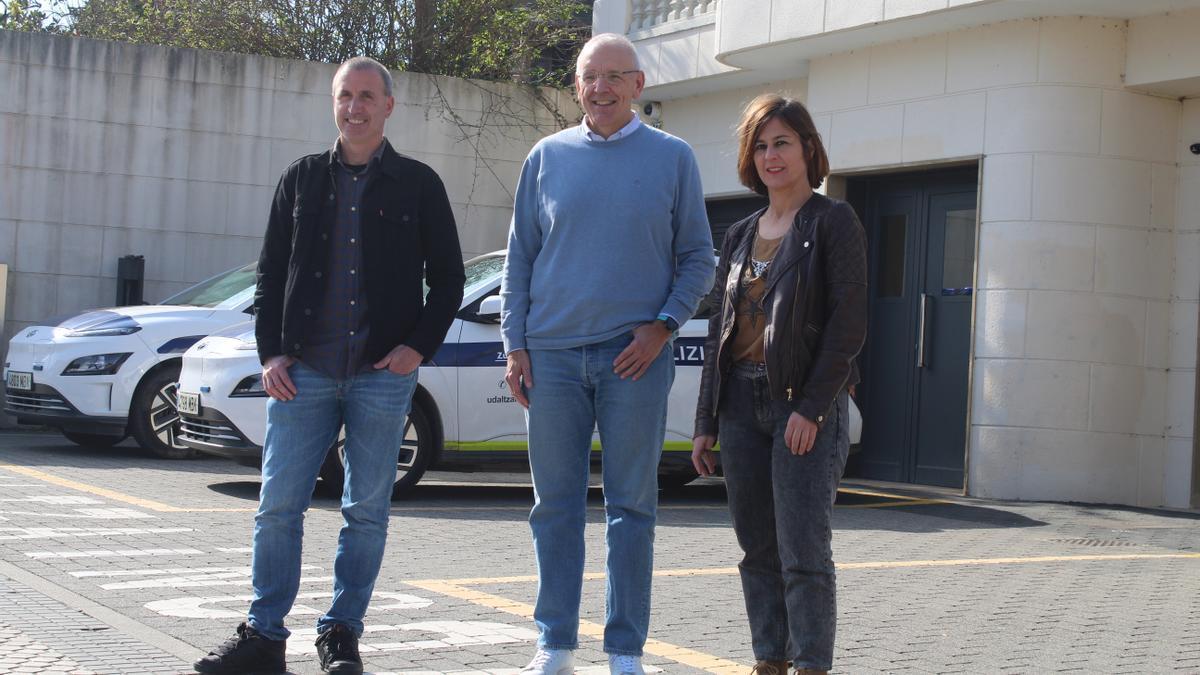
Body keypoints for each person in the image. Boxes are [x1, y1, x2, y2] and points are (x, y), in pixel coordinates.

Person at [193, 56, 465, 675]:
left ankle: (341, 634)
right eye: (346, 96)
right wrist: (271, 353)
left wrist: (416, 349)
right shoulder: (301, 180)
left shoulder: (419, 184)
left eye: (367, 96)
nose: (355, 107)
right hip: (304, 373)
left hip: (382, 376)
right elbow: (269, 275)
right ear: (334, 103)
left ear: (388, 106)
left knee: (365, 512)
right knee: (277, 507)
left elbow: (449, 279)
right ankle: (264, 637)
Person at [500, 32, 715, 675]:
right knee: (555, 509)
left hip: (635, 359)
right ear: (576, 86)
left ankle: (624, 650)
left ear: (639, 86)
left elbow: (699, 257)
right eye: (589, 77)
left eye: (614, 77)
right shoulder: (545, 157)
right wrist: (516, 345)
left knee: (631, 509)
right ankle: (556, 643)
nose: (600, 89)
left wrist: (663, 326)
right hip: (554, 358)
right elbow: (520, 261)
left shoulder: (673, 158)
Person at [691, 94, 867, 675]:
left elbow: (847, 325)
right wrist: (706, 422)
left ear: (808, 149)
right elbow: (721, 330)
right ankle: (769, 660)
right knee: (757, 552)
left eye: (783, 143)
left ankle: (811, 663)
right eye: (761, 145)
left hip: (802, 406)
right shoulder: (740, 235)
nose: (771, 155)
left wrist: (813, 408)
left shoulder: (832, 221)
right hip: (740, 404)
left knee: (803, 552)